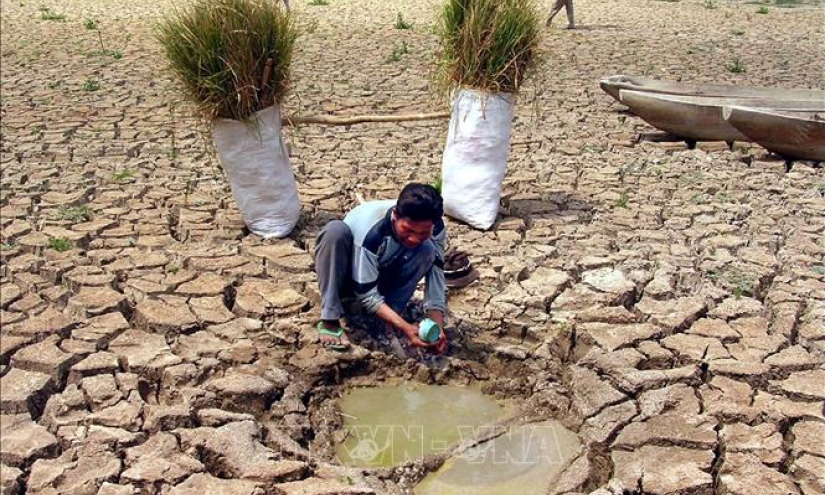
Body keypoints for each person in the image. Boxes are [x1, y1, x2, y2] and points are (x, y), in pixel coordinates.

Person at [314, 183, 448, 353]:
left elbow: (436, 276)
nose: (414, 238)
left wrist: (437, 326)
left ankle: (388, 317)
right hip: (348, 274)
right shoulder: (373, 231)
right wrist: (406, 327)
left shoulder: (436, 228)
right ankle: (330, 318)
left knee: (428, 250)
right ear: (395, 216)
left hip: (381, 270)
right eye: (407, 230)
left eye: (423, 233)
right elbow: (366, 294)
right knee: (335, 231)